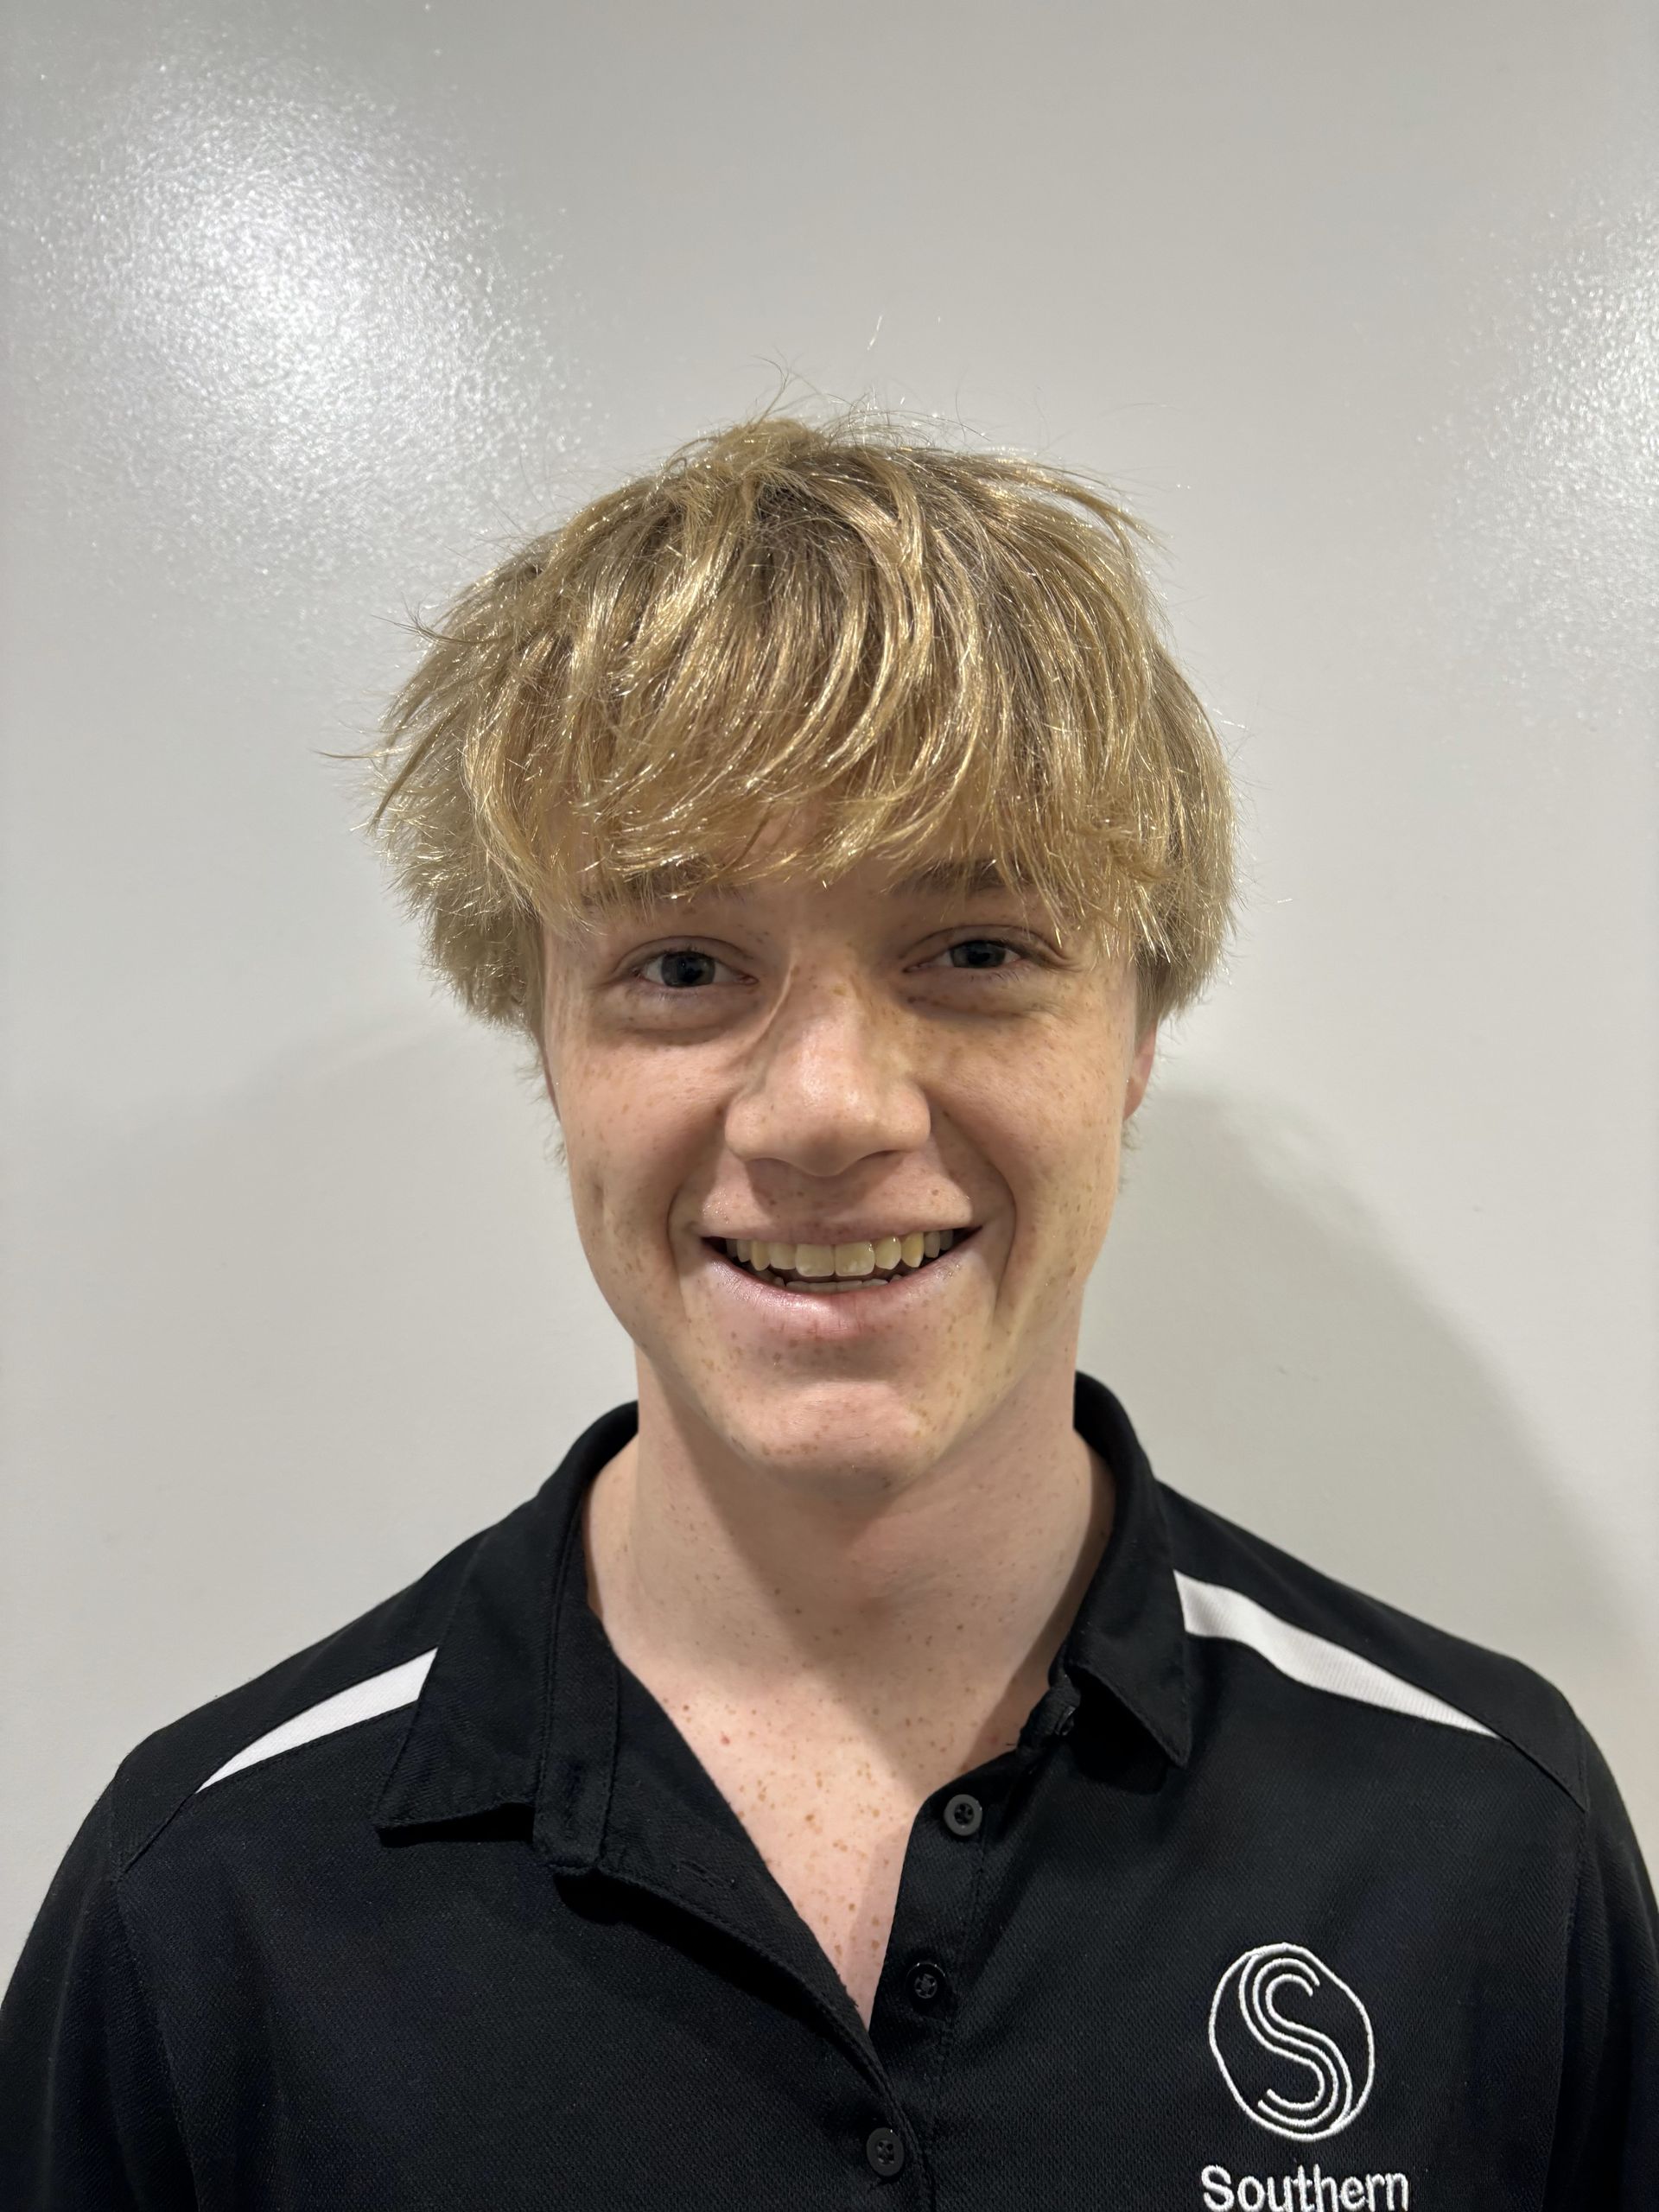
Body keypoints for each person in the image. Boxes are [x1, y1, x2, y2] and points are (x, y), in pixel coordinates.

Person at [2, 413, 1653, 2209]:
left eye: (976, 950)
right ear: (548, 1046)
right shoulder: (207, 1901)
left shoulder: (1488, 1843)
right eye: (684, 965)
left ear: (1138, 1037)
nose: (827, 1109)